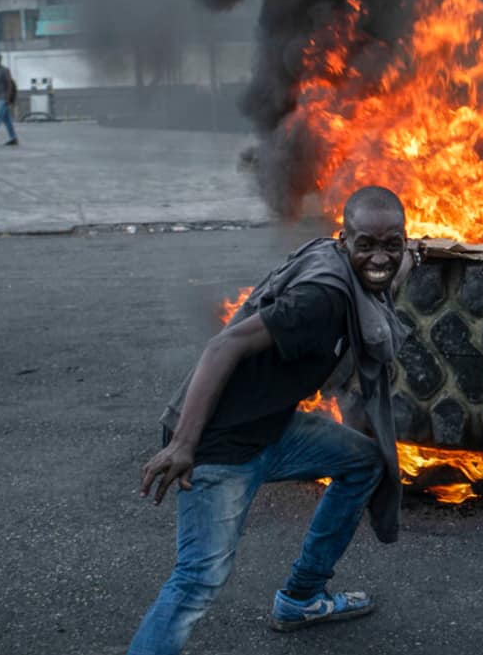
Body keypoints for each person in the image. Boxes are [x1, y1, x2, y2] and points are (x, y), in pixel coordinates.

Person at [130, 186, 422, 655]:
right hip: (218, 445)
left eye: (394, 243)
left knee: (364, 462)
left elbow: (387, 270)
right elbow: (221, 346)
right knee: (197, 582)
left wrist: (410, 258)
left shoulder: (353, 263)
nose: (380, 258)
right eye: (367, 244)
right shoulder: (319, 300)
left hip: (272, 428)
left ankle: (301, 598)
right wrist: (184, 444)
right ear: (343, 240)